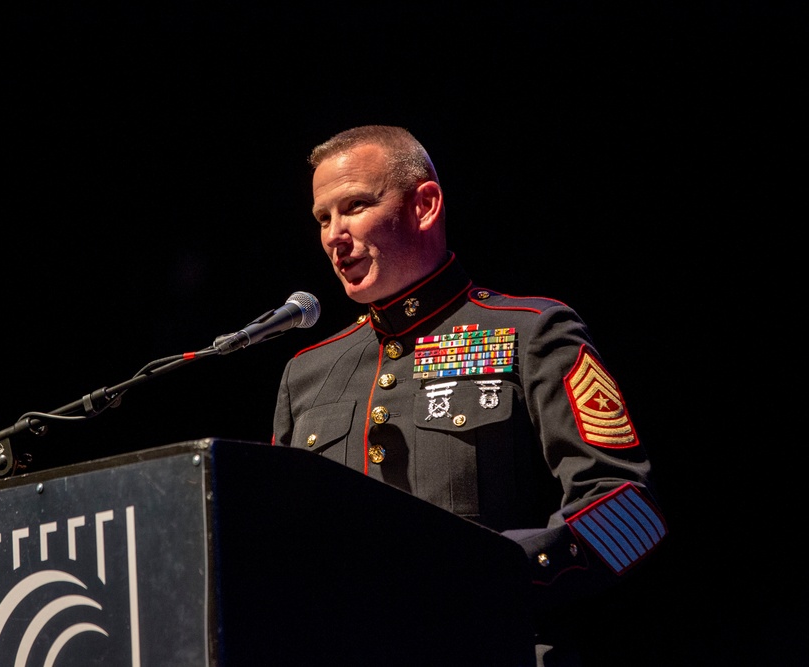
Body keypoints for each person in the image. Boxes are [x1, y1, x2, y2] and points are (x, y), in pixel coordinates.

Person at [271, 125, 667, 666]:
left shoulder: (530, 331)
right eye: (323, 218)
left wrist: (486, 576)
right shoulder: (306, 371)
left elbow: (629, 510)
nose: (334, 235)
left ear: (425, 205)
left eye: (355, 206)